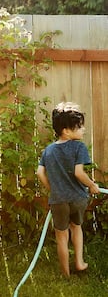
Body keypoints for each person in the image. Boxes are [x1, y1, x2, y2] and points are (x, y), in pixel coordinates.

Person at [36, 101, 99, 277]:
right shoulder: (79, 147)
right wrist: (92, 185)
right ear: (66, 130)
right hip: (78, 198)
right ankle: (79, 262)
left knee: (61, 236)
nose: (83, 130)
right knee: (76, 227)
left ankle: (65, 273)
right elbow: (79, 173)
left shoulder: (48, 150)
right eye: (79, 127)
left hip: (58, 200)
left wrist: (52, 188)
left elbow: (40, 173)